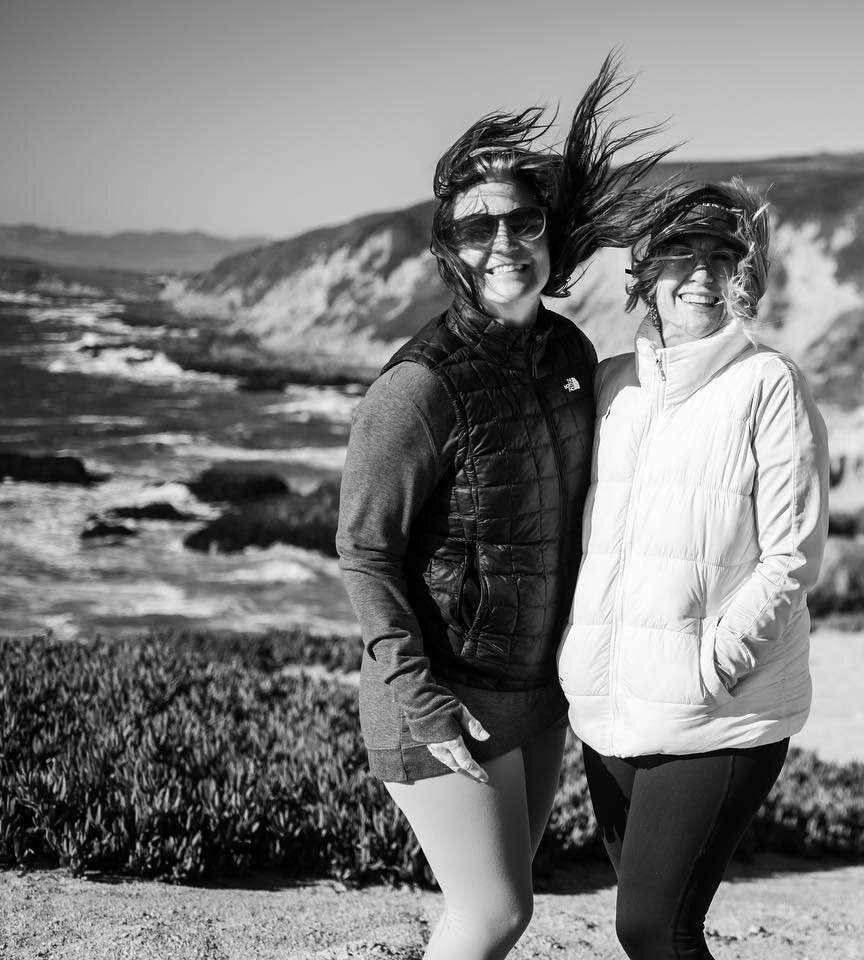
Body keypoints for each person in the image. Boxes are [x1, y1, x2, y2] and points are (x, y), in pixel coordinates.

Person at [335, 57, 669, 960]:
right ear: (450, 247)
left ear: (550, 233)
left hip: (536, 695)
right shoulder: (418, 385)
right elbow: (365, 552)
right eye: (478, 227)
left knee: (503, 911)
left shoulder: (568, 349)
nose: (504, 241)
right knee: (491, 915)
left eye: (523, 220)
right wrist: (424, 701)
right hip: (438, 696)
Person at [557, 180, 831, 960]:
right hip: (611, 703)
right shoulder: (613, 384)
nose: (702, 275)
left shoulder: (766, 383)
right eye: (681, 254)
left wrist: (711, 664)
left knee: (652, 928)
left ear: (746, 273)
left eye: (722, 256)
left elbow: (794, 554)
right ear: (646, 273)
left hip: (718, 710)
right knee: (660, 933)